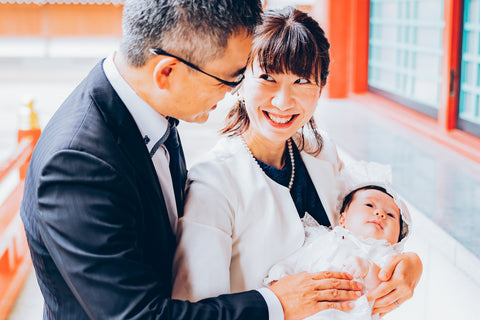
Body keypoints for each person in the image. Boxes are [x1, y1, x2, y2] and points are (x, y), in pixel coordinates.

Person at [20, 1, 362, 319]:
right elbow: (140, 314)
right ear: (166, 73)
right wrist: (276, 302)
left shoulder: (152, 110)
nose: (234, 91)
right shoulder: (77, 164)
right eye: (232, 77)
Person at [172, 6, 422, 318]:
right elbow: (196, 311)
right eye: (267, 77)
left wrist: (409, 262)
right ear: (240, 80)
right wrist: (277, 304)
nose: (282, 102)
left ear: (320, 88)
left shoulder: (320, 150)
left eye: (302, 81)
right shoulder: (214, 184)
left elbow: (373, 205)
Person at [265, 179, 413, 320]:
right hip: (303, 309)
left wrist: (369, 270)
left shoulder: (386, 257)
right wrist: (282, 272)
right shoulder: (323, 238)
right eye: (369, 205)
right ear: (342, 219)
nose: (380, 214)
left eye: (390, 215)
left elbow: (384, 291)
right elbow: (301, 256)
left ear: (397, 239)